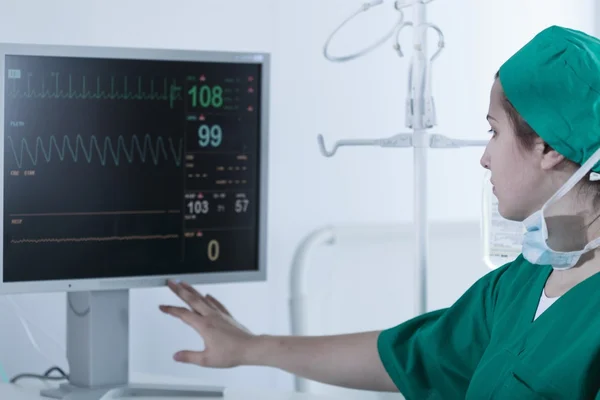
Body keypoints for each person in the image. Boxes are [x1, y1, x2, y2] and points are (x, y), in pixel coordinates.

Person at [159, 25, 600, 399]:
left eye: (493, 131)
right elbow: (412, 358)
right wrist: (249, 348)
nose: (485, 157)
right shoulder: (520, 283)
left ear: (548, 147)